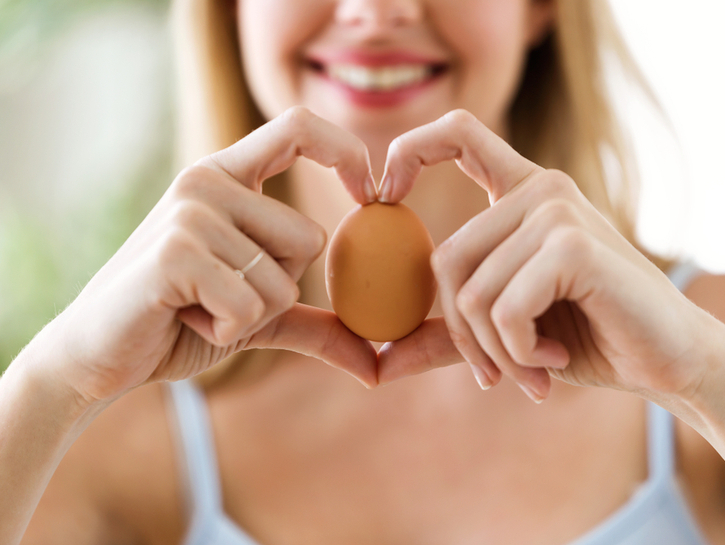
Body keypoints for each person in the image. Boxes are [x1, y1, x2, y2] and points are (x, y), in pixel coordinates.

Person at [2, 0, 725, 543]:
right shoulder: (114, 422)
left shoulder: (697, 342)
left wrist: (701, 376)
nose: (376, 14)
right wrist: (53, 386)